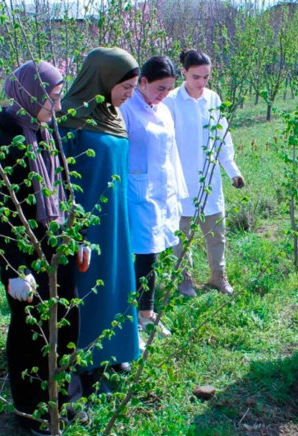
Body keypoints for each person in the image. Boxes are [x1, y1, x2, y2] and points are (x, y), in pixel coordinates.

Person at [0, 60, 88, 436]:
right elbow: (1, 209)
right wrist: (14, 269)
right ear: (30, 94)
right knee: (32, 332)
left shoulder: (46, 126)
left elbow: (65, 185)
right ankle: (33, 410)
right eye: (52, 99)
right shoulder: (1, 136)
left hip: (59, 242)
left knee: (66, 321)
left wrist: (78, 235)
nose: (57, 107)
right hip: (27, 252)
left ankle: (64, 398)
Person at [59, 47, 141, 394]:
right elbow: (60, 180)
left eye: (134, 87)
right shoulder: (70, 120)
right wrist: (73, 227)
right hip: (88, 222)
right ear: (104, 79)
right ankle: (85, 361)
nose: (130, 94)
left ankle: (115, 350)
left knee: (117, 281)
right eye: (126, 86)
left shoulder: (111, 115)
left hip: (116, 218)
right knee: (91, 288)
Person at [164, 49, 244, 296]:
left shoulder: (213, 99)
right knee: (181, 235)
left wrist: (232, 170)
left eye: (206, 77)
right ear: (184, 73)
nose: (201, 82)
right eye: (196, 77)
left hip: (209, 180)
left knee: (216, 232)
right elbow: (166, 144)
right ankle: (184, 279)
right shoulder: (171, 102)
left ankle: (218, 276)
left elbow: (222, 138)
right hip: (181, 181)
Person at [120, 55, 187, 338]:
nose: (164, 94)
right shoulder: (126, 108)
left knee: (153, 253)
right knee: (143, 254)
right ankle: (138, 315)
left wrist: (178, 190)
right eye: (160, 88)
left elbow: (172, 152)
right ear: (143, 82)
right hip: (135, 193)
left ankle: (145, 313)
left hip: (161, 190)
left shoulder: (163, 110)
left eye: (169, 89)